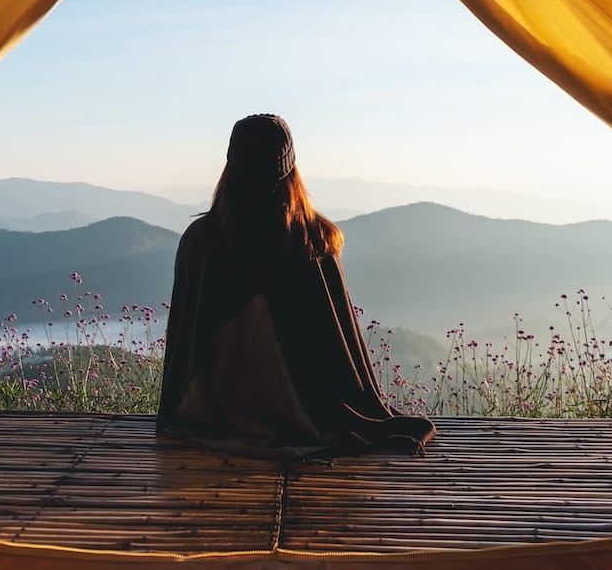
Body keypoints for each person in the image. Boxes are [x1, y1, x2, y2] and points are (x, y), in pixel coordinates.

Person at [157, 114, 436, 458]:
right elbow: (333, 350)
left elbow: (187, 343)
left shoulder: (200, 242)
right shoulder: (314, 240)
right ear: (289, 168)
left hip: (209, 411)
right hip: (307, 411)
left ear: (230, 165)